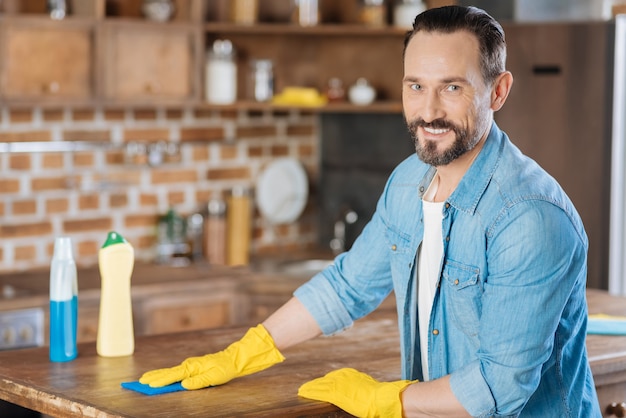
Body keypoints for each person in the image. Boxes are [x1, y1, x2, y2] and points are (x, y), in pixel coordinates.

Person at [139, 6, 601, 417]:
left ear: (497, 91)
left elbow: (499, 390)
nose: (429, 111)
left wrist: (389, 400)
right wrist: (246, 351)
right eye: (416, 86)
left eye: (452, 88)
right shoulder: (408, 182)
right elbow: (348, 286)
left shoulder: (530, 220)